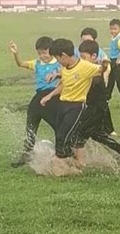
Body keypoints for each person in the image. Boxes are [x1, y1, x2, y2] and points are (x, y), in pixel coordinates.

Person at [40, 38, 108, 176]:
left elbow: (100, 69)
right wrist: (50, 95)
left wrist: (105, 64)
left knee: (62, 135)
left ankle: (59, 163)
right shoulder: (65, 68)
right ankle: (69, 162)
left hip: (76, 107)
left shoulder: (85, 67)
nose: (59, 63)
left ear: (64, 55)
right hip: (63, 104)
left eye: (58, 59)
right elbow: (64, 84)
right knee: (60, 133)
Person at [73, 40, 120, 165]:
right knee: (96, 134)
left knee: (79, 131)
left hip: (96, 108)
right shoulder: (91, 69)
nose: (81, 60)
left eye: (84, 57)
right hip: (95, 107)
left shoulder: (95, 71)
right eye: (80, 57)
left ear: (94, 57)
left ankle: (79, 160)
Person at [8, 37, 60, 167]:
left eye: (45, 52)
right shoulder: (36, 63)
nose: (42, 56)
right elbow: (20, 64)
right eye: (40, 53)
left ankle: (62, 153)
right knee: (31, 124)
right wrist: (16, 54)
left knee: (58, 126)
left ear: (52, 50)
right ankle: (26, 153)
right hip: (38, 97)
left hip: (53, 97)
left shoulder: (59, 63)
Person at [74, 27, 115, 134]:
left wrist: (104, 75)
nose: (85, 42)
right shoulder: (78, 51)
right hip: (87, 95)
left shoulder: (98, 52)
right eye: (83, 40)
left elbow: (105, 67)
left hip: (96, 92)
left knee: (101, 108)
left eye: (88, 40)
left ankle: (110, 131)